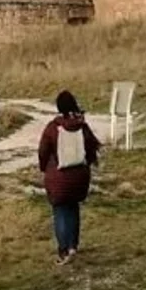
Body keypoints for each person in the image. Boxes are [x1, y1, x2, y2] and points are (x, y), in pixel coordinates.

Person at [37, 90, 101, 263]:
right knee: (73, 209)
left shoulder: (53, 127)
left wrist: (44, 168)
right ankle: (73, 245)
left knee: (60, 211)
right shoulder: (82, 126)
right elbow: (93, 147)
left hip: (58, 175)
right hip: (79, 175)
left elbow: (43, 151)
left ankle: (63, 250)